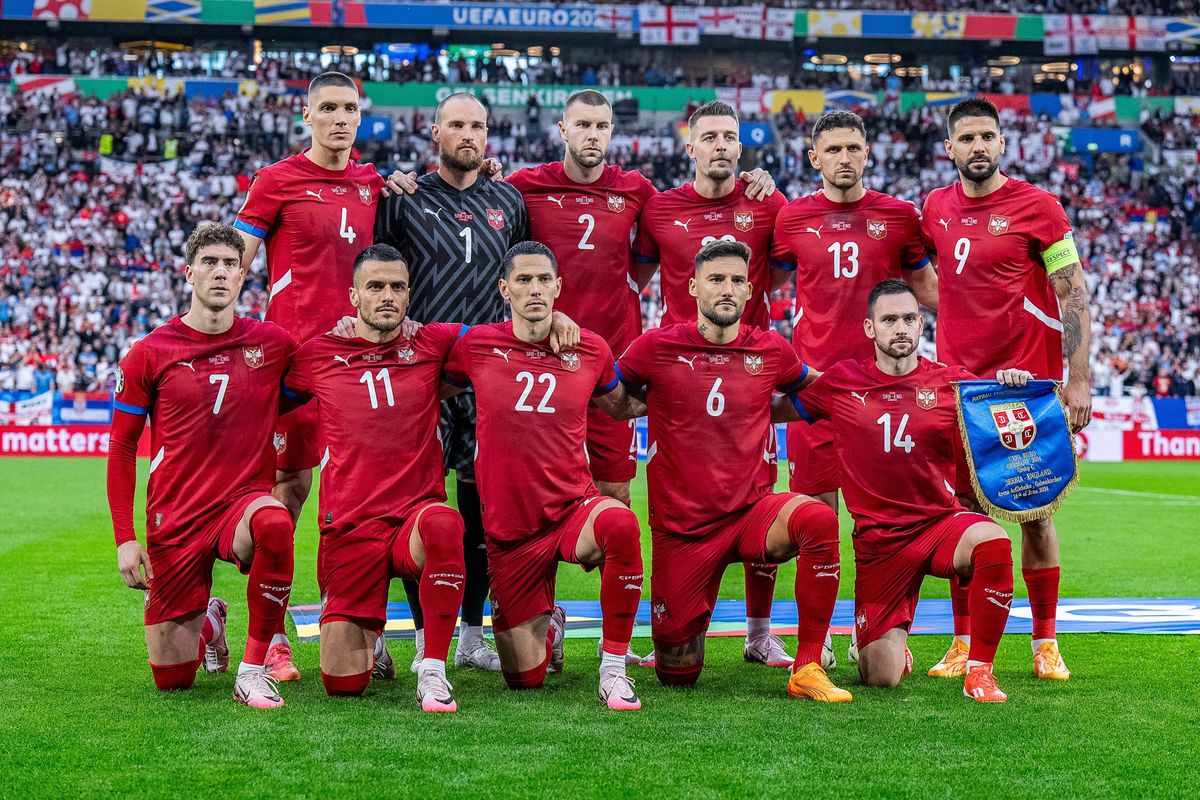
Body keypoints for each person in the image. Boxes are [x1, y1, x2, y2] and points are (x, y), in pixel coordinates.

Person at [615, 240, 849, 702]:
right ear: (693, 286)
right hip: (684, 531)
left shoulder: (770, 349)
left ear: (748, 292)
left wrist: (776, 407)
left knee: (818, 519)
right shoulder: (657, 347)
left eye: (737, 281)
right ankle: (682, 627)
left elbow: (818, 391)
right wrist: (658, 403)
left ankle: (807, 666)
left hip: (751, 514)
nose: (727, 289)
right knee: (676, 673)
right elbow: (607, 396)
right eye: (717, 279)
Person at [920, 97, 1092, 681]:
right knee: (964, 516)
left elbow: (1072, 293)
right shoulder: (934, 208)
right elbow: (918, 274)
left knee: (1036, 514)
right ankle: (963, 643)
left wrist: (1079, 378)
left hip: (1027, 388)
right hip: (960, 389)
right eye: (965, 138)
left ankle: (1046, 642)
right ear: (950, 148)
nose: (977, 147)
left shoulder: (1040, 207)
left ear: (1002, 142)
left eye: (986, 137)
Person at [781, 279, 1018, 702]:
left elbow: (1006, 415)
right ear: (870, 328)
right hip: (879, 546)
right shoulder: (841, 382)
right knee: (880, 678)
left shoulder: (952, 383)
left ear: (921, 323)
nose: (901, 327)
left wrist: (1014, 384)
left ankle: (980, 671)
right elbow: (779, 408)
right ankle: (892, 642)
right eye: (889, 320)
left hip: (939, 524)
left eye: (909, 318)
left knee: (993, 541)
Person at [442, 241, 646, 710]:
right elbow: (419, 363)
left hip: (573, 509)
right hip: (511, 530)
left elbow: (620, 406)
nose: (534, 288)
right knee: (524, 679)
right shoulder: (476, 344)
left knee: (620, 522)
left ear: (558, 286)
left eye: (542, 280)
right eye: (523, 280)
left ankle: (613, 667)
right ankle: (549, 623)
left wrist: (685, 394)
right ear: (504, 288)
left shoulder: (590, 348)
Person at [770, 109, 937, 666]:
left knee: (885, 522)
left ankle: (881, 629)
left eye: (854, 148)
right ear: (814, 157)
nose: (845, 158)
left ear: (868, 154)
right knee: (816, 519)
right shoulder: (792, 218)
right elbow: (762, 286)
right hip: (818, 393)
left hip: (886, 395)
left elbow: (929, 292)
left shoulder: (898, 217)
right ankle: (812, 647)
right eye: (833, 149)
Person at [106, 224, 297, 709]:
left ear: (242, 276)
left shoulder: (272, 344)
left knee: (275, 522)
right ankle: (211, 621)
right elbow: (122, 446)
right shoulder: (149, 352)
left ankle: (253, 670)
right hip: (176, 514)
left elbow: (333, 375)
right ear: (189, 273)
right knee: (173, 679)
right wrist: (125, 538)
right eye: (210, 263)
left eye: (230, 264)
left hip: (241, 506)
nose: (220, 272)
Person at [234, 70, 385, 682]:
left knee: (354, 500)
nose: (340, 118)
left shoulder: (374, 181)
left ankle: (345, 622)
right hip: (294, 365)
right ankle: (268, 638)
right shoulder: (275, 181)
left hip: (358, 365)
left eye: (349, 107)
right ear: (306, 114)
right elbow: (235, 265)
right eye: (328, 107)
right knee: (288, 494)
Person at [631, 100, 793, 669]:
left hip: (751, 372)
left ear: (741, 148)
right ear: (690, 146)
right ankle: (671, 622)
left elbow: (778, 275)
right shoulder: (661, 209)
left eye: (731, 136)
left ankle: (758, 631)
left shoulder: (767, 203)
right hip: (680, 378)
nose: (722, 145)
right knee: (673, 499)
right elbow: (636, 278)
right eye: (711, 137)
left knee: (761, 494)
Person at [374, 91, 530, 672]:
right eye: (457, 124)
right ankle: (420, 636)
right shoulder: (406, 199)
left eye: (478, 125)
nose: (469, 133)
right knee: (420, 505)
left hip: (489, 375)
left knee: (482, 508)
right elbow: (377, 274)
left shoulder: (509, 200)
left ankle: (470, 635)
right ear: (435, 132)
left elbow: (522, 276)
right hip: (424, 376)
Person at [281, 244, 467, 711]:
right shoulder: (319, 353)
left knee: (445, 522)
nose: (388, 295)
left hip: (414, 522)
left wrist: (558, 321)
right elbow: (267, 398)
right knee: (342, 685)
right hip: (350, 526)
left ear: (409, 295)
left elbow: (503, 339)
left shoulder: (434, 342)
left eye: (397, 287)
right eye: (376, 286)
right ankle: (372, 638)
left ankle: (433, 668)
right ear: (353, 297)